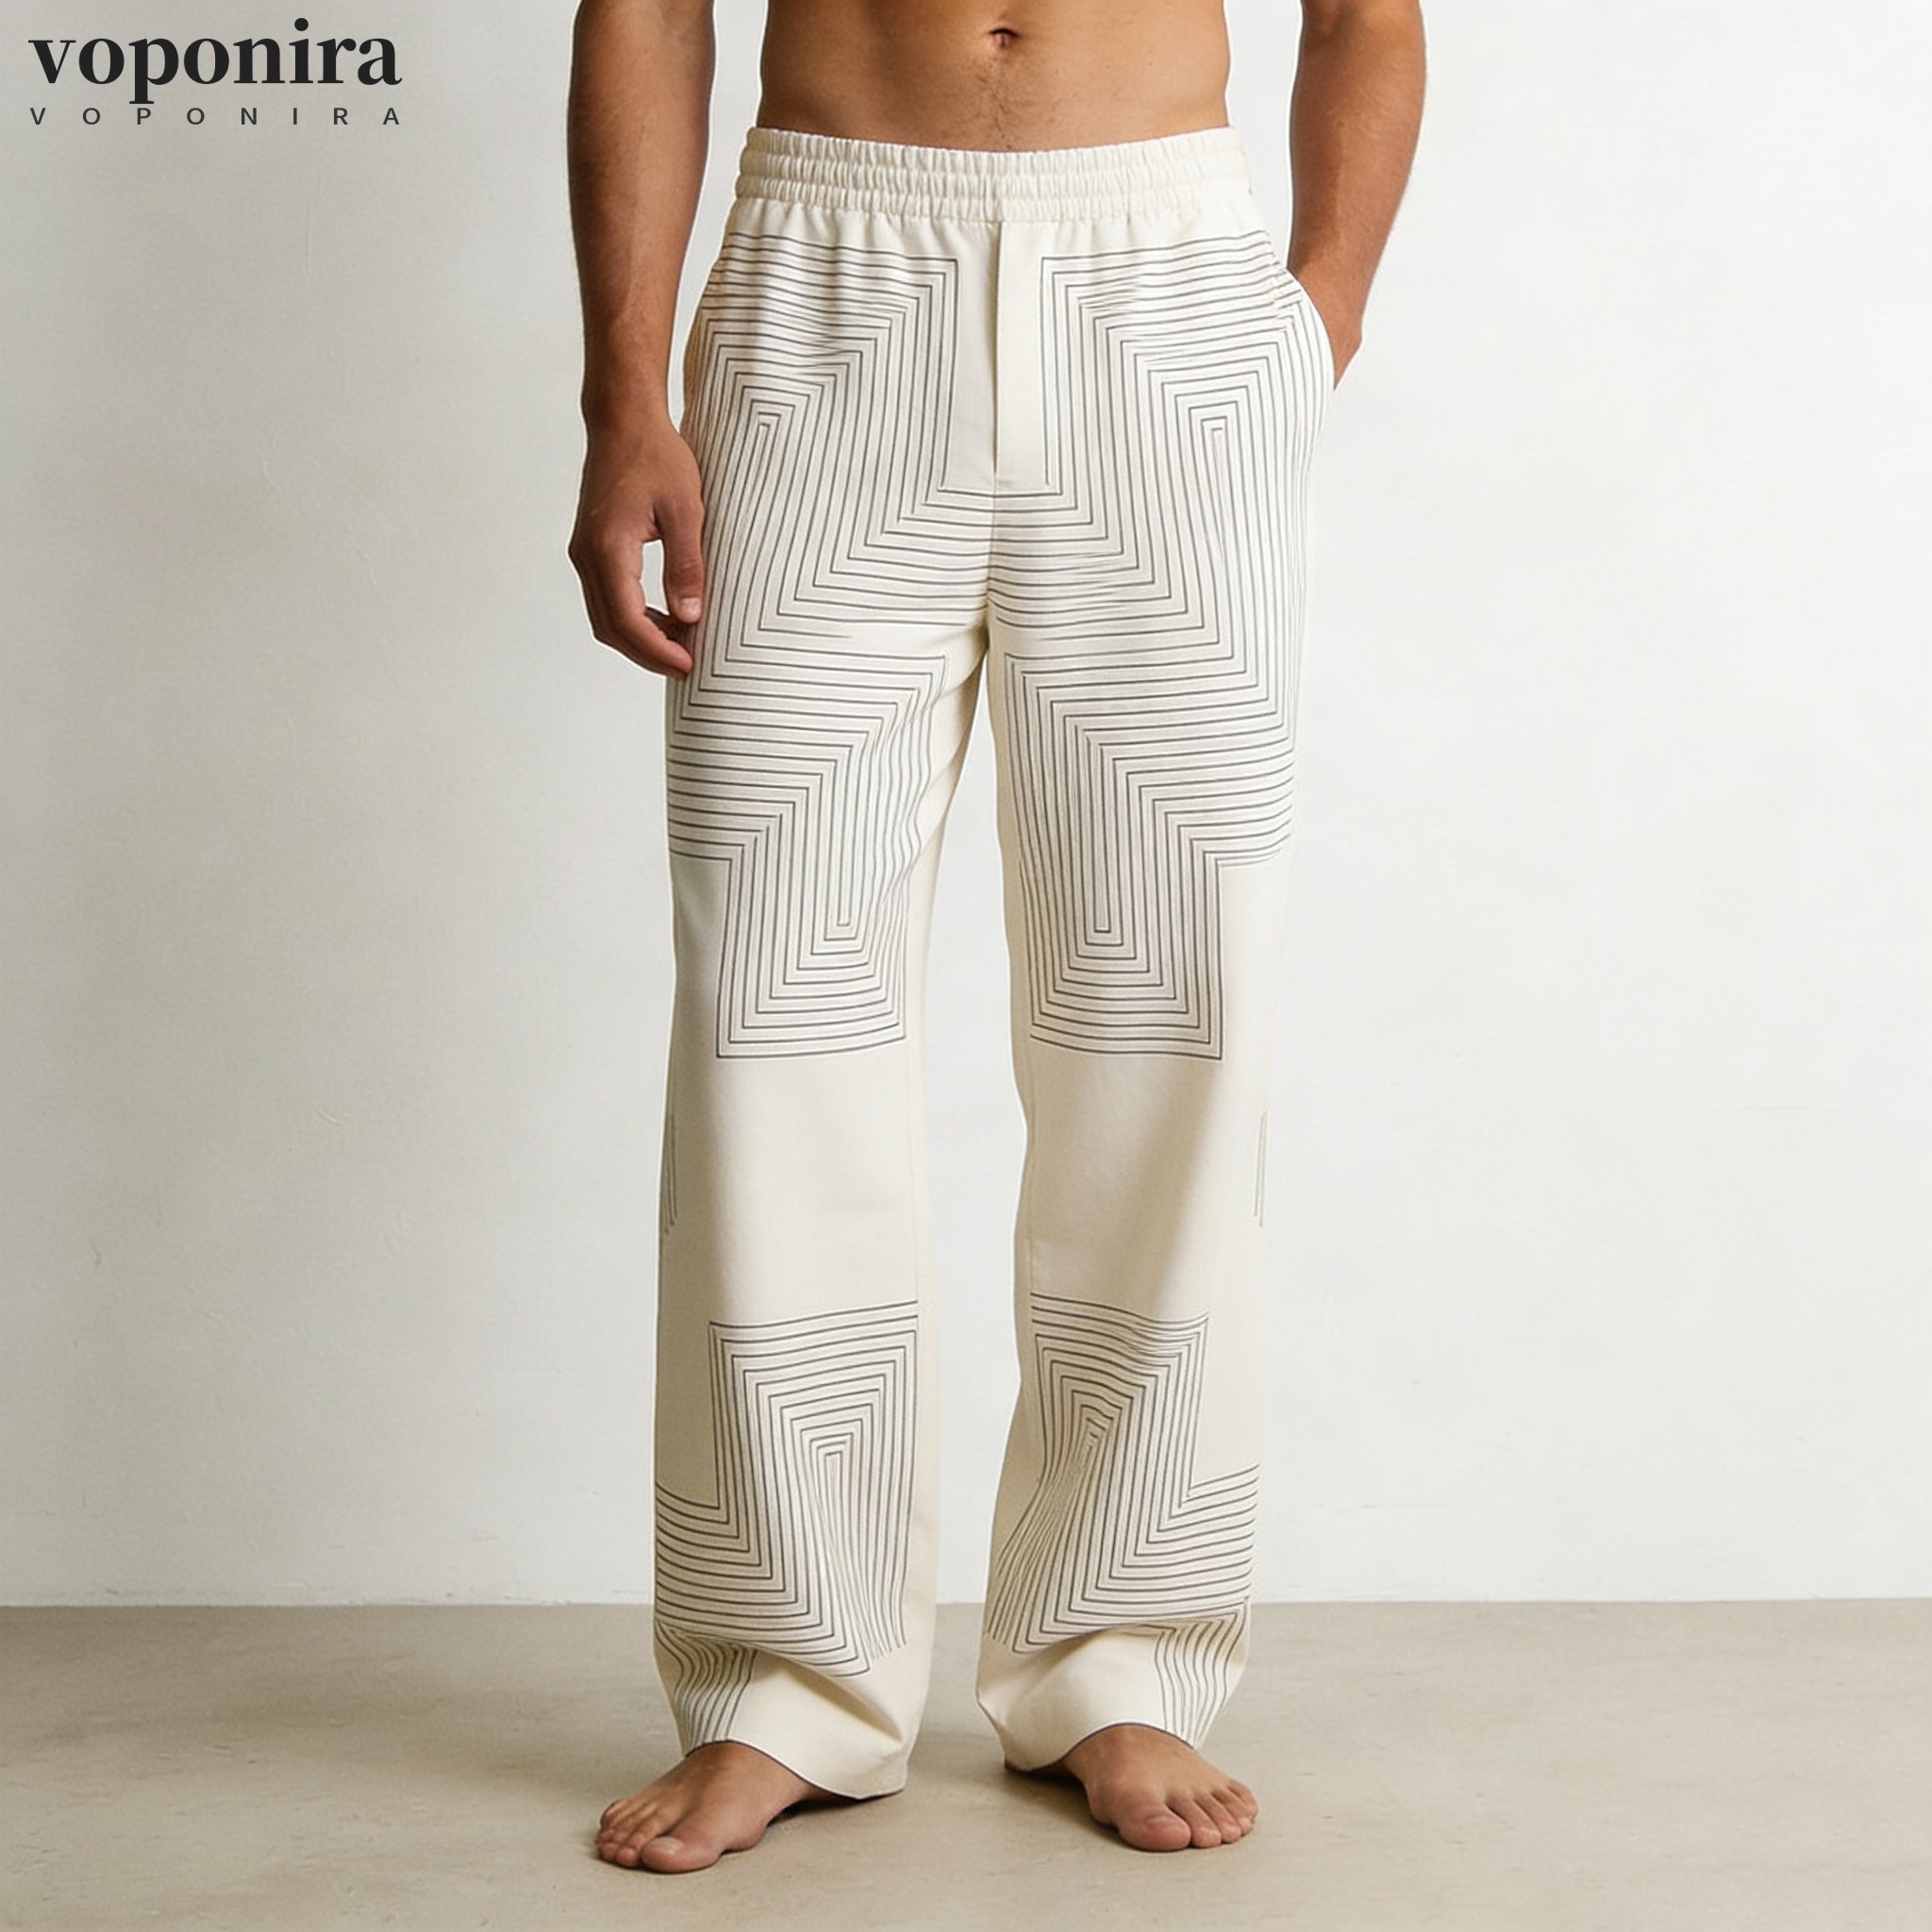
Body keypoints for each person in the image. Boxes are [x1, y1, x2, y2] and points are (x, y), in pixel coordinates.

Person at [566, 0, 1424, 1872]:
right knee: (771, 1010)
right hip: (825, 289)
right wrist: (624, 395)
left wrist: (1313, 321)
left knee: (1167, 1010)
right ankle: (786, 1675)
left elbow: (1366, 13)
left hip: (1167, 300)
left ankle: (1120, 1649)